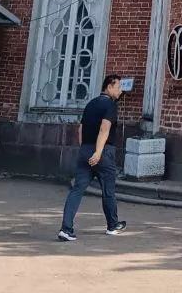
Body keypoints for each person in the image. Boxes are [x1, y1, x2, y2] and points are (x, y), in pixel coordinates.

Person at [57, 75, 128, 241]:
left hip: (85, 150)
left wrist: (85, 149)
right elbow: (104, 129)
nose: (120, 91)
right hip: (103, 152)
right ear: (109, 87)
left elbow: (80, 129)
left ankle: (66, 229)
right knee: (108, 190)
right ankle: (112, 225)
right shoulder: (110, 105)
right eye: (118, 87)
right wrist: (98, 152)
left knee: (77, 190)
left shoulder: (90, 104)